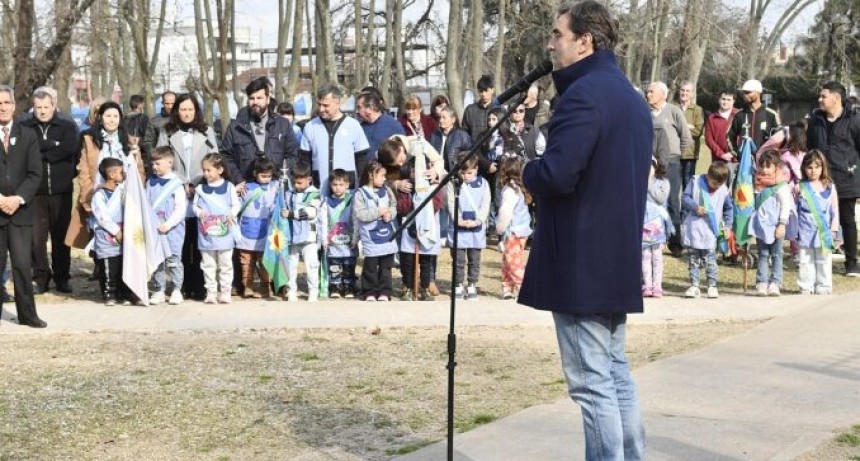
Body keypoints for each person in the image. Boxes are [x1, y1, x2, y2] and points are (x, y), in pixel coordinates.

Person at [518, 3, 650, 457]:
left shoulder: (583, 94)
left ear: (584, 41)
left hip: (581, 261)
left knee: (593, 386)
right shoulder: (630, 96)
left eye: (557, 35)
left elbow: (557, 174)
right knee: (615, 375)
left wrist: (525, 171)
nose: (551, 44)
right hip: (613, 260)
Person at [156, 93, 219, 301]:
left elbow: (214, 158)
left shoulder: (207, 131)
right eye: (183, 109)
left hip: (202, 189)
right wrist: (180, 184)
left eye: (190, 109)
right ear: (176, 111)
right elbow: (161, 159)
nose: (187, 113)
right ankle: (180, 284)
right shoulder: (167, 131)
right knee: (180, 242)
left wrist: (199, 183)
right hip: (176, 190)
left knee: (200, 239)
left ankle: (199, 284)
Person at [20, 86, 79, 294]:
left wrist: (42, 151)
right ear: (33, 108)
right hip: (35, 192)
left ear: (54, 106)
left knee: (60, 236)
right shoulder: (25, 126)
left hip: (62, 190)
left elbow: (70, 149)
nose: (42, 111)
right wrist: (50, 146)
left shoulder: (67, 126)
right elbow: (25, 153)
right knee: (37, 238)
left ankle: (62, 277)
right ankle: (41, 278)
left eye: (46, 106)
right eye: (38, 107)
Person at [66, 101, 146, 251]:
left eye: (115, 116)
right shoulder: (90, 140)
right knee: (101, 236)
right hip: (100, 195)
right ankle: (101, 271)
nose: (111, 119)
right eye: (108, 115)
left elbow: (139, 170)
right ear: (100, 117)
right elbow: (83, 171)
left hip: (124, 196)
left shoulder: (130, 141)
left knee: (124, 238)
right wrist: (87, 197)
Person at [0, 85, 47, 328]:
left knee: (21, 266)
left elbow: (35, 173)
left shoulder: (27, 135)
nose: (3, 107)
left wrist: (17, 199)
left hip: (20, 212)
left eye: (6, 102)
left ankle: (28, 315)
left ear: (14, 106)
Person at [806, 80, 860, 277]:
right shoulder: (815, 120)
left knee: (847, 220)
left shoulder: (854, 119)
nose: (820, 99)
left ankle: (852, 263)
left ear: (837, 98)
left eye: (823, 96)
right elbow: (810, 148)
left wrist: (853, 169)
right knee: (818, 219)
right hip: (822, 181)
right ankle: (820, 259)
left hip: (846, 178)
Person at [221, 77, 299, 189]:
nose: (255, 102)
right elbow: (225, 156)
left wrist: (281, 178)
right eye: (252, 98)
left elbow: (293, 155)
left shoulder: (282, 125)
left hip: (276, 187)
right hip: (247, 189)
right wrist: (238, 180)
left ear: (267, 99)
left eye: (259, 98)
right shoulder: (236, 127)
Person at [647, 81, 692, 257]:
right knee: (651, 200)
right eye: (648, 91)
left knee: (672, 201)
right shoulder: (646, 113)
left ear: (662, 94)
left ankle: (675, 242)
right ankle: (653, 237)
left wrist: (676, 155)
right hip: (650, 163)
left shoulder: (674, 111)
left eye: (652, 91)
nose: (648, 94)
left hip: (671, 163)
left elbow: (686, 138)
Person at [299, 83, 369, 192]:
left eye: (326, 105)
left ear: (338, 103)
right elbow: (305, 160)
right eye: (319, 104)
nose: (321, 109)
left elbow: (361, 160)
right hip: (319, 190)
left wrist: (362, 187)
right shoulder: (310, 126)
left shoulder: (353, 125)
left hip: (347, 191)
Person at [193, 153, 240, 304]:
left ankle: (225, 291)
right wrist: (200, 212)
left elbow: (236, 204)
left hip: (224, 232)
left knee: (225, 263)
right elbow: (194, 205)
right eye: (204, 170)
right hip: (206, 233)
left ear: (220, 170)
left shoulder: (229, 187)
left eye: (209, 170)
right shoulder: (200, 188)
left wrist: (232, 214)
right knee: (208, 264)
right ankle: (211, 292)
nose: (206, 173)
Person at [681, 161, 733, 298]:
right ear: (708, 175)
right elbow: (685, 198)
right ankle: (694, 285)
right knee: (693, 259)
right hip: (694, 229)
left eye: (720, 184)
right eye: (714, 183)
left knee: (710, 260)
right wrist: (695, 207)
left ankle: (712, 285)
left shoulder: (723, 190)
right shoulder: (695, 182)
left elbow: (729, 209)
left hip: (711, 231)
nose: (716, 187)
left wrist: (728, 226)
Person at [396, 155, 443, 301]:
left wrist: (424, 195)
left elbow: (436, 205)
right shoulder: (406, 188)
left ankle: (424, 287)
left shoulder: (433, 187)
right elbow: (402, 208)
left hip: (427, 227)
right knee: (408, 260)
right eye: (413, 170)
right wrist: (409, 197)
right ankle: (408, 287)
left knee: (426, 261)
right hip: (410, 227)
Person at [750, 150, 795, 297]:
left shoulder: (781, 185)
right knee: (762, 253)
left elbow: (786, 206)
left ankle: (775, 282)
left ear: (776, 167)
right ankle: (761, 282)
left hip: (776, 225)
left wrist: (782, 224)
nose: (764, 169)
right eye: (761, 166)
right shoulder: (757, 182)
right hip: (761, 225)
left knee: (777, 254)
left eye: (768, 166)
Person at [147, 147, 187, 305]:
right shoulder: (150, 182)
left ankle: (176, 289)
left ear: (170, 163)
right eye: (152, 164)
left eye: (158, 163)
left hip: (172, 231)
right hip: (154, 230)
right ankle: (159, 289)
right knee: (158, 260)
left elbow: (180, 209)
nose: (154, 167)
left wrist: (168, 224)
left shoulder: (176, 184)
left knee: (174, 260)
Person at [446, 151, 490, 300]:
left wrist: (478, 220)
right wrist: (458, 220)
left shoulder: (484, 184)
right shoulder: (453, 183)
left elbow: (485, 204)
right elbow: (451, 203)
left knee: (474, 260)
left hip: (476, 229)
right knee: (458, 260)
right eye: (463, 173)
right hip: (459, 228)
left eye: (469, 173)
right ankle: (458, 284)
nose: (466, 176)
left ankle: (472, 284)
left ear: (476, 169)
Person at [796, 150, 840, 295]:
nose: (813, 171)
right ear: (804, 168)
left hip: (824, 231)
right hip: (805, 230)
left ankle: (824, 285)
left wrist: (834, 229)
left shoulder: (830, 187)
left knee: (824, 260)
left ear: (823, 167)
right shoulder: (800, 187)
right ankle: (806, 285)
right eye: (809, 167)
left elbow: (835, 210)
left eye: (817, 167)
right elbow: (794, 210)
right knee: (805, 260)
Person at [353, 160, 398, 302]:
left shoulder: (387, 190)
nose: (384, 179)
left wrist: (390, 214)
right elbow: (360, 214)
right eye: (382, 175)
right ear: (371, 175)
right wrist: (378, 212)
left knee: (386, 267)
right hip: (371, 237)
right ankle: (369, 291)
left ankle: (385, 291)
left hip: (387, 236)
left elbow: (393, 205)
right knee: (370, 266)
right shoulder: (360, 194)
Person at [235, 157, 278, 299]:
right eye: (263, 176)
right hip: (246, 231)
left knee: (265, 261)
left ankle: (265, 287)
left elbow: (274, 208)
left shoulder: (274, 188)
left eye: (269, 176)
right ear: (255, 173)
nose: (266, 179)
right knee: (246, 261)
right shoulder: (246, 188)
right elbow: (237, 205)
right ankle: (248, 286)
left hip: (265, 231)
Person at [91, 158, 132, 306]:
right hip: (108, 235)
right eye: (121, 171)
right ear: (111, 174)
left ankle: (123, 293)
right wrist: (115, 231)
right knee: (110, 266)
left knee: (122, 265)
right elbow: (102, 216)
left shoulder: (122, 190)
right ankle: (109, 293)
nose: (124, 174)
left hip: (123, 233)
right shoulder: (100, 195)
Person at [281, 161, 323, 302]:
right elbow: (283, 208)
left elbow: (311, 212)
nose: (296, 186)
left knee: (311, 266)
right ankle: (291, 291)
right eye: (294, 183)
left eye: (299, 183)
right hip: (292, 237)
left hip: (309, 238)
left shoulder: (315, 194)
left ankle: (313, 292)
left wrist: (291, 214)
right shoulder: (289, 193)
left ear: (308, 180)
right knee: (291, 265)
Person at [494, 156, 532, 300]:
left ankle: (521, 286)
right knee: (509, 259)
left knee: (512, 261)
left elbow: (505, 213)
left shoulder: (509, 191)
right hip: (522, 230)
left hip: (513, 232)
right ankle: (507, 288)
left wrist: (499, 228)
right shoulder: (519, 189)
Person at [321, 169, 358, 299]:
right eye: (334, 185)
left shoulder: (352, 200)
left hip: (348, 240)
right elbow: (323, 221)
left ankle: (349, 286)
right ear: (330, 185)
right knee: (335, 264)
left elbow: (355, 219)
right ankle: (335, 286)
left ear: (347, 185)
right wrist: (324, 238)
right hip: (333, 240)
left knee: (349, 264)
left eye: (341, 185)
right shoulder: (326, 202)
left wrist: (356, 238)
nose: (337, 188)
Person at [356, 91, 404, 176]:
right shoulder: (359, 128)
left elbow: (402, 154)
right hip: (365, 178)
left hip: (386, 177)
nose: (357, 111)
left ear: (370, 108)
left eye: (359, 107)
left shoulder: (392, 125)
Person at [642, 158, 672, 298]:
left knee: (657, 257)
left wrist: (648, 182)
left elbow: (661, 199)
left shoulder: (664, 183)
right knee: (645, 256)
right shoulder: (638, 182)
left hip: (658, 227)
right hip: (643, 227)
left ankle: (657, 286)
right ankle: (647, 285)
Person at [728, 79, 780, 154]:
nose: (744, 95)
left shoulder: (771, 114)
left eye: (748, 92)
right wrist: (736, 153)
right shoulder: (738, 114)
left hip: (765, 162)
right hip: (744, 161)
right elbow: (729, 136)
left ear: (758, 93)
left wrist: (770, 155)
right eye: (743, 93)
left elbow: (779, 137)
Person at [677, 81, 705, 191]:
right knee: (672, 185)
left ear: (692, 93)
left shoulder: (698, 110)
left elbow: (698, 131)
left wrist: (680, 127)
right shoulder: (673, 108)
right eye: (682, 90)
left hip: (689, 154)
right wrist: (688, 126)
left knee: (687, 185)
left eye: (687, 91)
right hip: (673, 152)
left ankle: (686, 208)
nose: (684, 93)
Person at [429, 106, 472, 173]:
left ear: (453, 120)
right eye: (440, 117)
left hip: (454, 174)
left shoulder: (461, 135)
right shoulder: (435, 135)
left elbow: (470, 156)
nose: (440, 120)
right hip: (437, 173)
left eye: (444, 118)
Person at [705, 91, 739, 172]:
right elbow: (709, 139)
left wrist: (733, 153)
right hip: (718, 160)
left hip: (737, 160)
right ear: (719, 100)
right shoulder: (712, 118)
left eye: (728, 100)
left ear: (733, 101)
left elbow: (742, 137)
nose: (725, 102)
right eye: (723, 99)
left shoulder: (739, 115)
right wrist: (721, 154)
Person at [461, 74, 499, 145]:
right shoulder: (470, 110)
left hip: (494, 150)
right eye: (481, 91)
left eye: (486, 90)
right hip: (474, 150)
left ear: (492, 90)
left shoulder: (499, 109)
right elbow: (464, 133)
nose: (483, 94)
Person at [124, 94, 156, 174]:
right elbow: (148, 138)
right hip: (141, 154)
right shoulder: (144, 118)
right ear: (140, 105)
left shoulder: (124, 119)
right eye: (143, 103)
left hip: (127, 153)